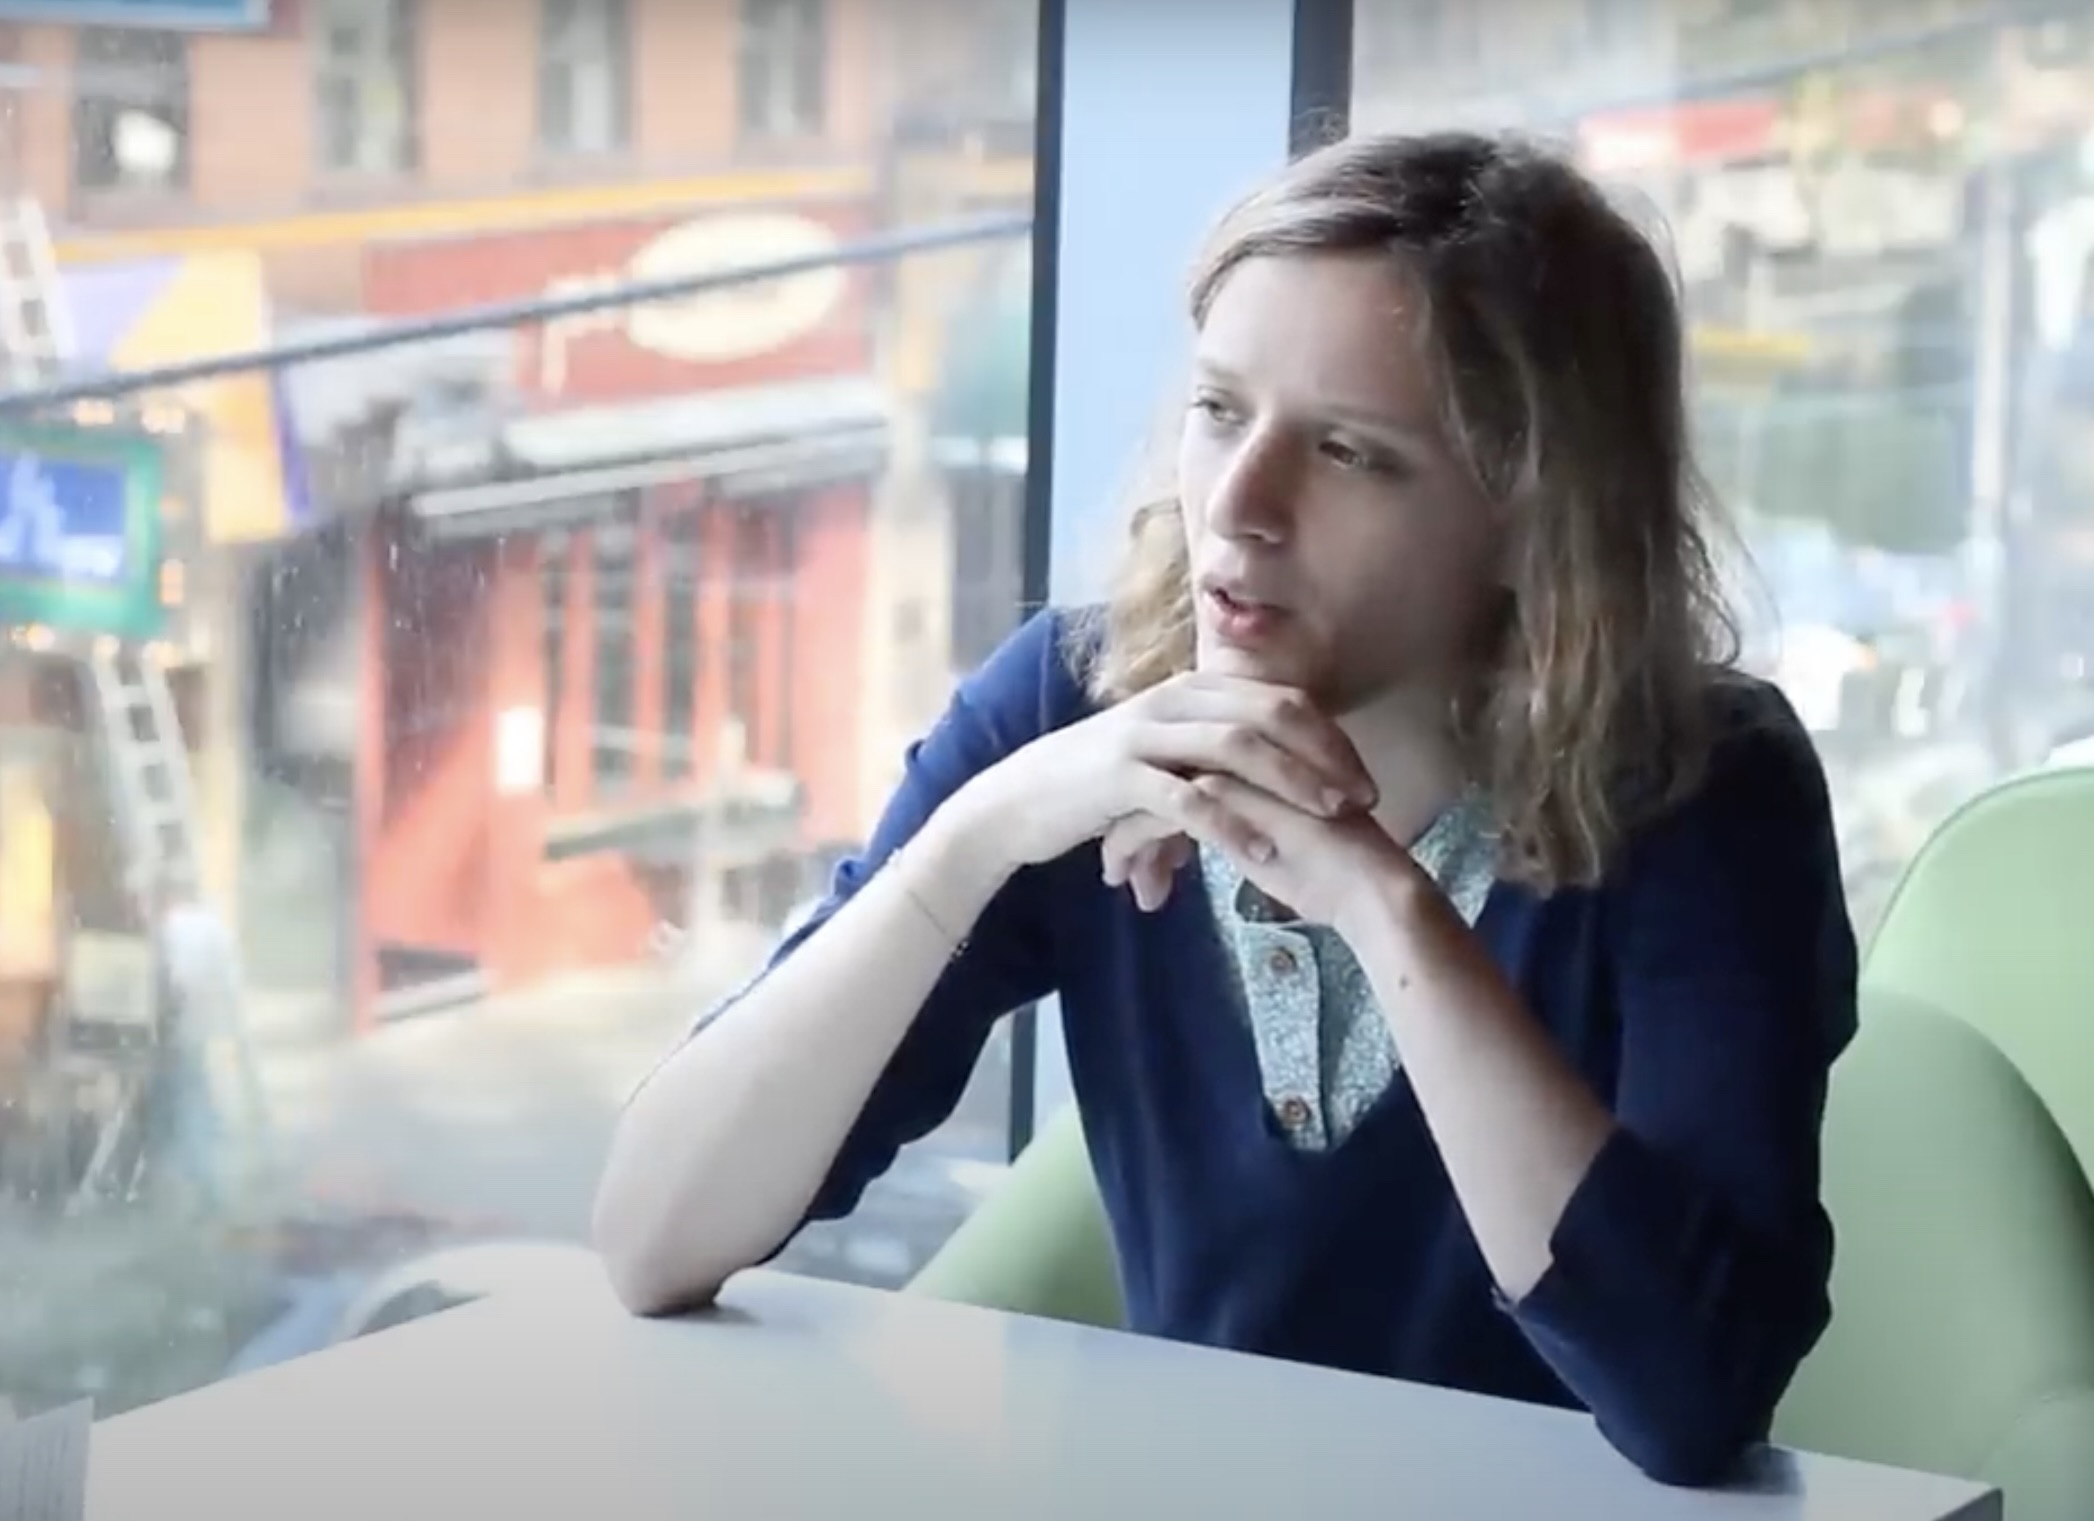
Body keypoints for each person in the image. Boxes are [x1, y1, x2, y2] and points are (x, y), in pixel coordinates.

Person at [593, 131, 1858, 1489]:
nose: (1239, 506)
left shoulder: (1706, 789)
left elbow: (1692, 1395)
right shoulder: (1075, 709)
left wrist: (1384, 907)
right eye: (1217, 409)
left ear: (1529, 512)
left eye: (1348, 451)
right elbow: (655, 1235)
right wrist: (975, 839)